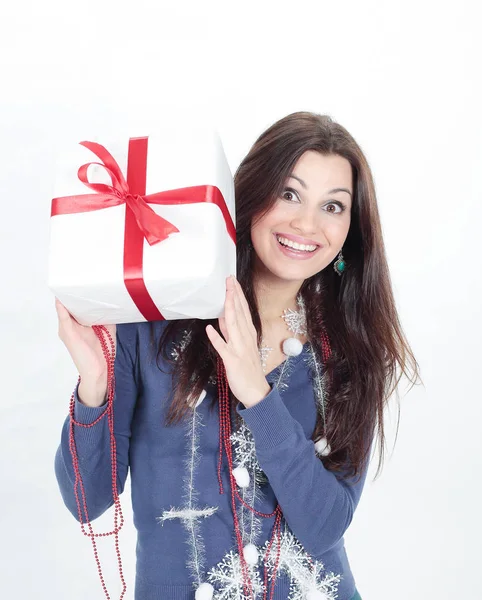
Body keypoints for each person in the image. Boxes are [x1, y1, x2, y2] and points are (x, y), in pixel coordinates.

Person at [54, 111, 420, 600]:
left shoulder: (349, 351)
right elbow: (86, 499)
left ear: (349, 232)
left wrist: (257, 393)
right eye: (290, 194)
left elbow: (326, 525)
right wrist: (95, 385)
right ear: (251, 196)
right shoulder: (153, 324)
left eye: (333, 207)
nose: (306, 223)